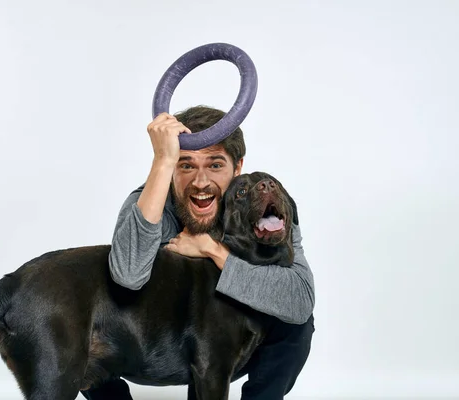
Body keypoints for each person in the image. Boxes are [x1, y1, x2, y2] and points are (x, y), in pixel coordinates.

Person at [83, 106, 315, 400]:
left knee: (293, 323)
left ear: (237, 167)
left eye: (215, 165)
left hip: (221, 340)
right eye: (186, 165)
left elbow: (300, 300)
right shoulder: (151, 201)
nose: (201, 182)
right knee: (81, 321)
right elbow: (127, 275)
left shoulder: (266, 208)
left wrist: (214, 252)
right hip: (141, 346)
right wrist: (162, 160)